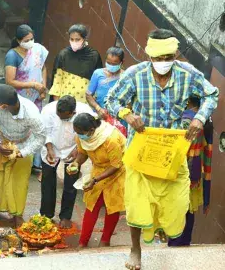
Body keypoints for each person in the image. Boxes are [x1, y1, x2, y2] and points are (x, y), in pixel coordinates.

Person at [105, 28, 218, 270]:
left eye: (168, 58)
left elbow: (212, 94)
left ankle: (163, 231)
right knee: (136, 203)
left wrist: (199, 118)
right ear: (148, 56)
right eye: (158, 59)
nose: (163, 63)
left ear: (175, 54)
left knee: (177, 202)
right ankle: (135, 249)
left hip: (172, 152)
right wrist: (127, 114)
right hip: (141, 150)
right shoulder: (135, 75)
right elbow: (111, 100)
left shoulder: (188, 74)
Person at [0, 85, 46, 227]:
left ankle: (17, 214)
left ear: (4, 106)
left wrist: (22, 153)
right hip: (1, 142)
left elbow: (41, 137)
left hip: (24, 145)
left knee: (20, 183)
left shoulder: (31, 113)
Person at [40, 95, 96, 228]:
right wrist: (49, 148)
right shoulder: (48, 110)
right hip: (51, 147)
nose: (61, 119)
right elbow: (43, 131)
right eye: (59, 116)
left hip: (73, 148)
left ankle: (65, 216)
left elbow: (89, 133)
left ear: (73, 113)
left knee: (71, 184)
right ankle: (46, 215)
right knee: (47, 182)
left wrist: (78, 149)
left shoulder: (85, 112)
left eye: (65, 117)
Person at [70, 113, 126, 248]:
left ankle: (105, 240)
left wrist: (95, 180)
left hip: (116, 172)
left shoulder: (110, 139)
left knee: (112, 207)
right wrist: (76, 163)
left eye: (80, 133)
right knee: (92, 205)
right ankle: (83, 242)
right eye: (76, 132)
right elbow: (83, 153)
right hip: (98, 170)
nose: (78, 135)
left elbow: (115, 165)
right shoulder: (81, 136)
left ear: (91, 130)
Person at [5, 24, 49, 180]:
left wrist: (42, 87)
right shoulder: (12, 55)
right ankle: (17, 157)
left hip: (36, 98)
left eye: (31, 39)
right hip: (20, 99)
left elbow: (43, 67)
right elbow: (10, 81)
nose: (30, 42)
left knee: (37, 128)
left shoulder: (38, 50)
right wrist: (33, 85)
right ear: (18, 41)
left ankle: (35, 164)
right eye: (26, 40)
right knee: (20, 128)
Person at [168, 95, 213, 246]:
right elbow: (207, 149)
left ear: (187, 102)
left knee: (177, 208)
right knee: (189, 208)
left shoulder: (183, 120)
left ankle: (175, 241)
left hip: (179, 171)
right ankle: (185, 241)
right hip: (195, 172)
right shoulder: (206, 121)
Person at [49, 24, 102, 103]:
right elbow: (57, 81)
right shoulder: (63, 55)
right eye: (72, 39)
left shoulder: (94, 56)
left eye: (77, 39)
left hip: (84, 103)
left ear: (84, 39)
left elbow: (97, 82)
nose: (74, 42)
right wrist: (56, 103)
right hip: (64, 102)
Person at [86, 47, 124, 119]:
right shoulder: (97, 73)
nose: (111, 66)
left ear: (121, 62)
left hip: (118, 117)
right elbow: (88, 95)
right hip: (99, 115)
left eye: (114, 64)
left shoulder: (125, 76)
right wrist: (98, 109)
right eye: (109, 63)